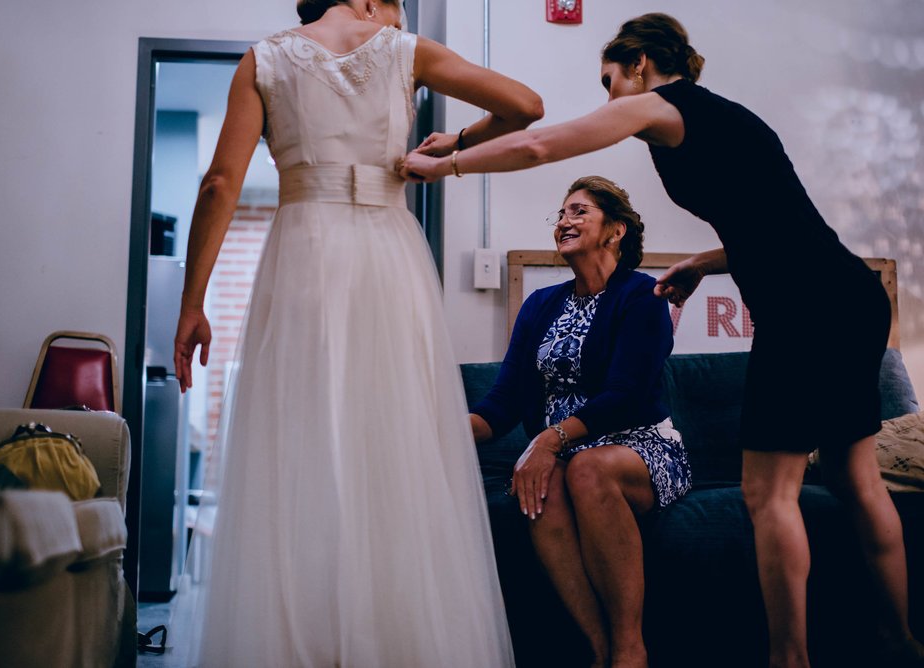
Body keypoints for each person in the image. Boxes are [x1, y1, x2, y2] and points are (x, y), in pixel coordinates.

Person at [401, 12, 924, 668]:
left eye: (609, 81)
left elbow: (540, 146)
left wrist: (444, 163)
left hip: (805, 310)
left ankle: (789, 659)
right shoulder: (727, 119)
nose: (609, 99)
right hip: (850, 294)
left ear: (641, 65)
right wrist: (704, 263)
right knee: (857, 480)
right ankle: (897, 638)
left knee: (769, 495)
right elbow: (776, 225)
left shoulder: (661, 106)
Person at [171, 1, 543, 665]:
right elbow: (525, 106)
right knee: (392, 445)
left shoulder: (265, 58)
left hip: (303, 255)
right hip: (385, 256)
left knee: (298, 449)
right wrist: (454, 143)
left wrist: (192, 304)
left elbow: (220, 184)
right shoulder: (407, 50)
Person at [471, 175, 690, 668]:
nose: (564, 222)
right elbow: (504, 401)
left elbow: (625, 394)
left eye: (578, 212)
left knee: (586, 468)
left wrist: (548, 441)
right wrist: (443, 427)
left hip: (642, 446)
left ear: (615, 230)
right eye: (561, 215)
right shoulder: (539, 305)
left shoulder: (643, 295)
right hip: (564, 455)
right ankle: (598, 650)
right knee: (543, 484)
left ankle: (631, 649)